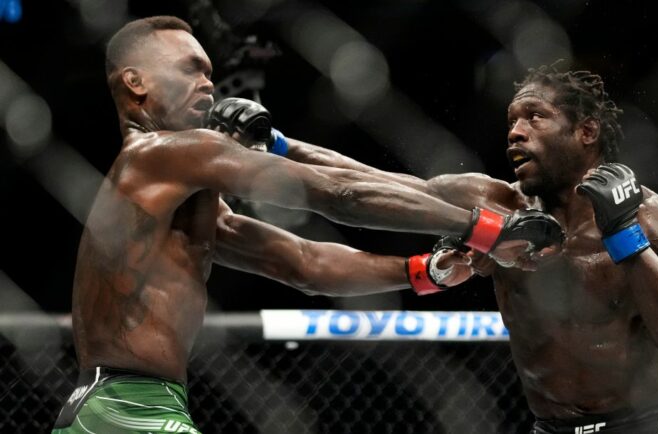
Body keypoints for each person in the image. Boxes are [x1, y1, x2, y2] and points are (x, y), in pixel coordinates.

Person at [51, 16, 558, 434]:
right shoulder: (164, 153)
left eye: (209, 72)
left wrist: (422, 271)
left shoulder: (178, 209)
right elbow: (334, 193)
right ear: (135, 82)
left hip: (123, 406)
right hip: (126, 411)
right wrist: (487, 229)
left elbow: (304, 263)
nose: (207, 83)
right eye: (188, 70)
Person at [280, 65, 658, 433]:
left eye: (535, 116)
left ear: (586, 131)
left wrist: (626, 237)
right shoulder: (495, 208)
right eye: (511, 120)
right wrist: (279, 145)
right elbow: (369, 182)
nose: (515, 132)